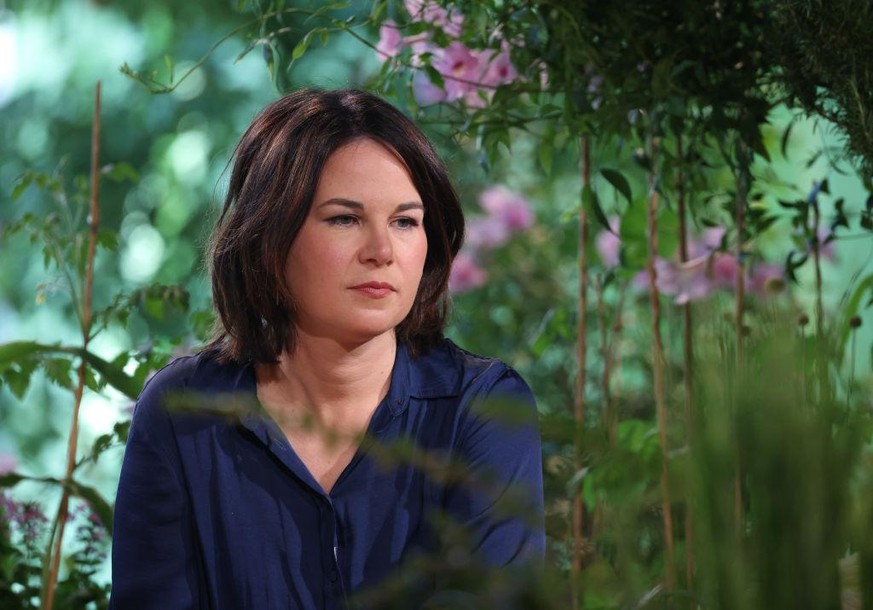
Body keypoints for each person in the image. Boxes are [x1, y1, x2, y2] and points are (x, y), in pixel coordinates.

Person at [109, 88, 544, 609]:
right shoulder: (183, 413)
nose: (382, 252)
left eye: (405, 221)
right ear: (270, 233)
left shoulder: (483, 410)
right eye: (345, 219)